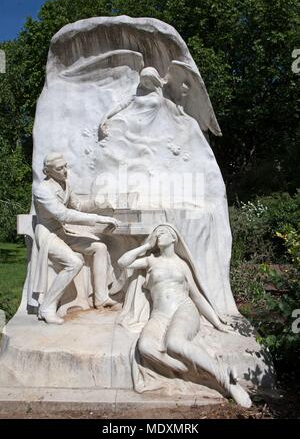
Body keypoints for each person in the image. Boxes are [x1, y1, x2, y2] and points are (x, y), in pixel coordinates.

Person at [118, 224, 252, 408]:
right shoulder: (150, 261)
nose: (159, 234)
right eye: (156, 232)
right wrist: (145, 247)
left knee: (174, 343)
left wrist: (218, 324)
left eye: (163, 232)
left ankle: (227, 381)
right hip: (159, 314)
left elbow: (196, 296)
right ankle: (184, 368)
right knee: (145, 347)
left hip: (184, 308)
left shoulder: (182, 264)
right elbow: (122, 262)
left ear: (174, 238)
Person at [33, 152, 121, 324]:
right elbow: (63, 214)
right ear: (47, 171)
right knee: (74, 262)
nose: (65, 171)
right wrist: (100, 219)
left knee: (99, 247)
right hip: (48, 235)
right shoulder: (41, 190)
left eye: (65, 166)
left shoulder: (64, 183)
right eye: (60, 168)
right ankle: (47, 307)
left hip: (62, 233)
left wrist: (99, 204)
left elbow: (78, 205)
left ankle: (101, 298)